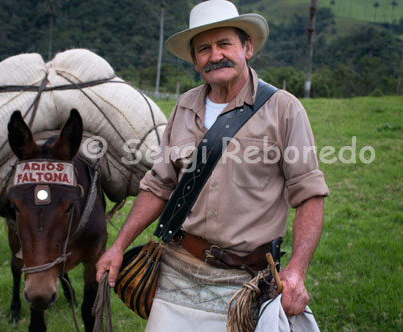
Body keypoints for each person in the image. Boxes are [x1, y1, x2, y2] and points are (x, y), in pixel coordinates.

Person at [96, 0, 329, 330]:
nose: (215, 55)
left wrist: (296, 271)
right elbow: (159, 184)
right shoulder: (184, 106)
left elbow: (310, 195)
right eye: (203, 49)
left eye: (224, 44)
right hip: (178, 273)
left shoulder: (283, 109)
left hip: (246, 283)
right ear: (194, 60)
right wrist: (118, 247)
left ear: (247, 48)